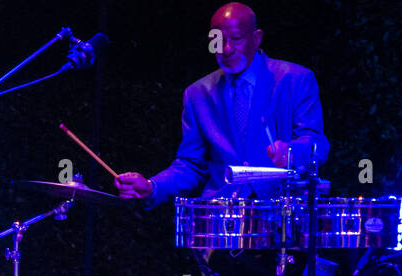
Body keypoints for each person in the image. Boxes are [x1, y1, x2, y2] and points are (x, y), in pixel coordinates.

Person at [114, 4, 329, 206]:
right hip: (222, 217)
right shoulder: (197, 94)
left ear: (256, 38)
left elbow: (316, 144)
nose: (226, 49)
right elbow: (191, 165)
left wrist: (291, 152)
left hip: (281, 212)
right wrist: (152, 187)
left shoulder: (295, 79)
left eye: (236, 39)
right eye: (217, 40)